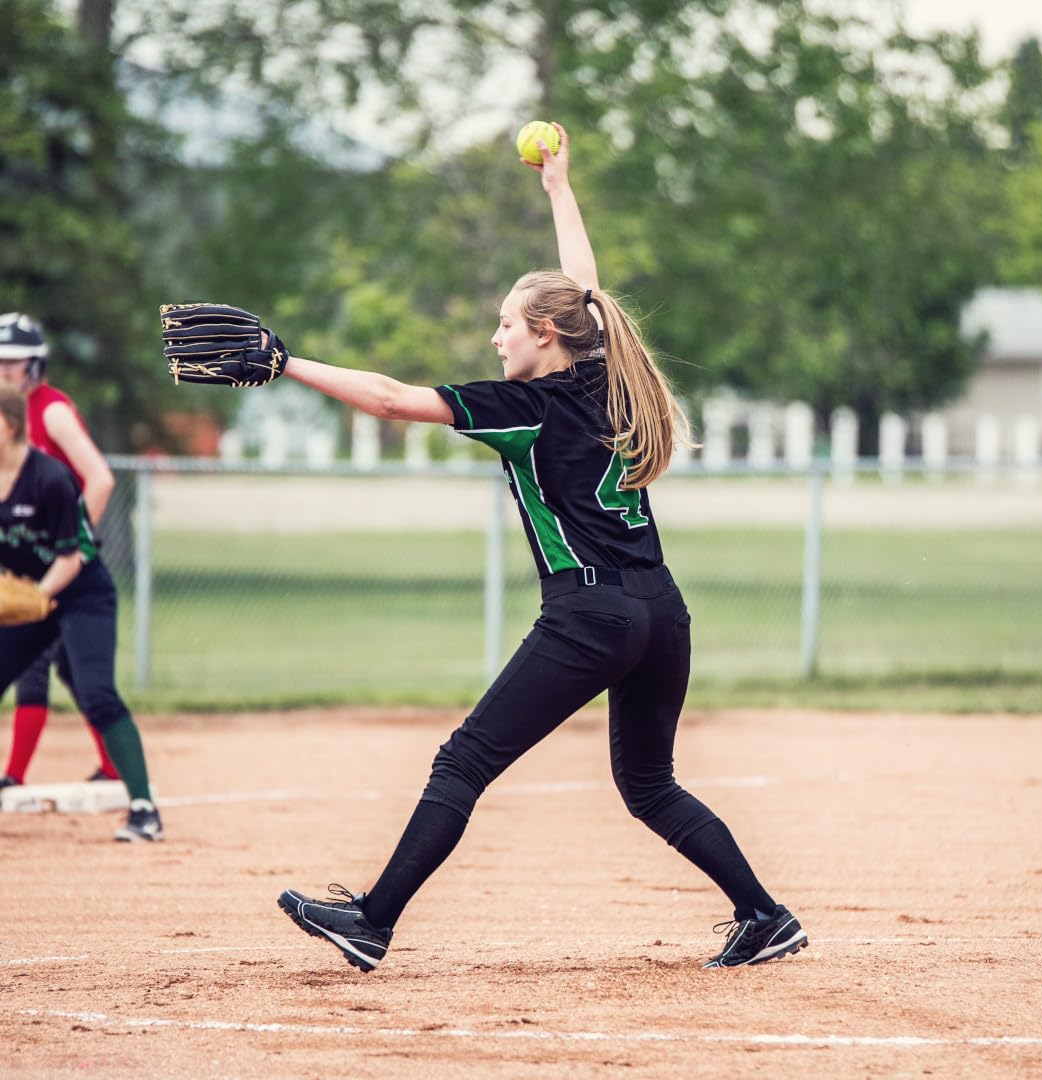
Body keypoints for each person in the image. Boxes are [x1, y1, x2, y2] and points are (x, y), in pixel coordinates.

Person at [269, 123, 806, 968]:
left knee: (465, 760)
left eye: (508, 325)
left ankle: (372, 920)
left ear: (544, 337)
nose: (498, 338)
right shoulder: (604, 374)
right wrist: (558, 188)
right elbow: (585, 295)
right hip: (661, 610)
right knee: (649, 785)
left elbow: (388, 400)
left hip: (590, 614)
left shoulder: (531, 406)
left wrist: (286, 361)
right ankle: (765, 915)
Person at [0, 383, 163, 841]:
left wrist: (33, 600)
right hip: (32, 596)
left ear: (10, 425)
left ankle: (143, 809)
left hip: (80, 593)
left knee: (96, 693)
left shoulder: (49, 478)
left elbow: (72, 557)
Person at [0, 313, 120, 788]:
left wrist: (74, 544)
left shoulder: (49, 410)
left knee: (42, 662)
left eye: (14, 361)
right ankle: (111, 768)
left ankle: (14, 776)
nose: (4, 369)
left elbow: (101, 479)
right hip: (27, 561)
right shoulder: (7, 420)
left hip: (62, 564)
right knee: (70, 666)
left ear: (35, 365)